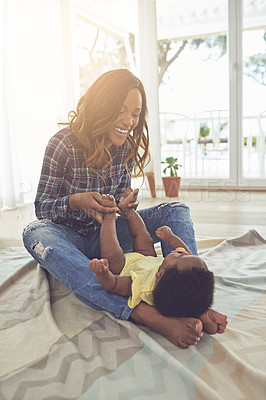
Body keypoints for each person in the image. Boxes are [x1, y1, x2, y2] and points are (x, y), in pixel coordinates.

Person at [23, 68, 208, 349]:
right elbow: (42, 207)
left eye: (135, 113)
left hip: (108, 239)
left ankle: (189, 299)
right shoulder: (62, 143)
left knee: (176, 209)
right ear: (101, 106)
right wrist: (75, 201)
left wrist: (124, 205)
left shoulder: (125, 147)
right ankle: (143, 312)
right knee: (35, 233)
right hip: (69, 240)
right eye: (121, 110)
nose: (129, 121)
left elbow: (120, 204)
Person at [89, 189, 227, 335]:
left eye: (180, 256)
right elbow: (183, 249)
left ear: (159, 276)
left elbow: (114, 285)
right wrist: (171, 238)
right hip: (147, 258)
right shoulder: (181, 268)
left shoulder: (142, 287)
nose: (182, 252)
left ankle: (109, 216)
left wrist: (103, 274)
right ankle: (127, 211)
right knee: (144, 237)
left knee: (112, 254)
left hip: (125, 267)